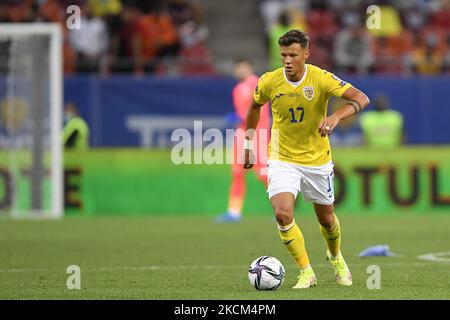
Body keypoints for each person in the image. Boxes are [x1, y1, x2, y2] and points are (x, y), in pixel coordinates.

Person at [244, 30, 370, 288]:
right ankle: (306, 272)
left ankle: (335, 257)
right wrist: (248, 143)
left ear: (306, 54)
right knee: (282, 213)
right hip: (282, 157)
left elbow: (361, 98)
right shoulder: (269, 81)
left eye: (293, 55)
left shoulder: (321, 78)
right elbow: (255, 106)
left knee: (326, 219)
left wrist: (335, 117)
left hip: (317, 159)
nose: (287, 60)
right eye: (283, 55)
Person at [216, 59, 271, 223]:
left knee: (265, 175)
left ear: (250, 68)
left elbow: (257, 110)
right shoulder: (238, 89)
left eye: (244, 67)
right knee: (238, 173)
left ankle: (282, 209)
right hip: (242, 135)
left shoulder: (259, 84)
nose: (241, 70)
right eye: (238, 68)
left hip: (258, 135)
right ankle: (234, 212)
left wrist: (238, 116)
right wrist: (238, 117)